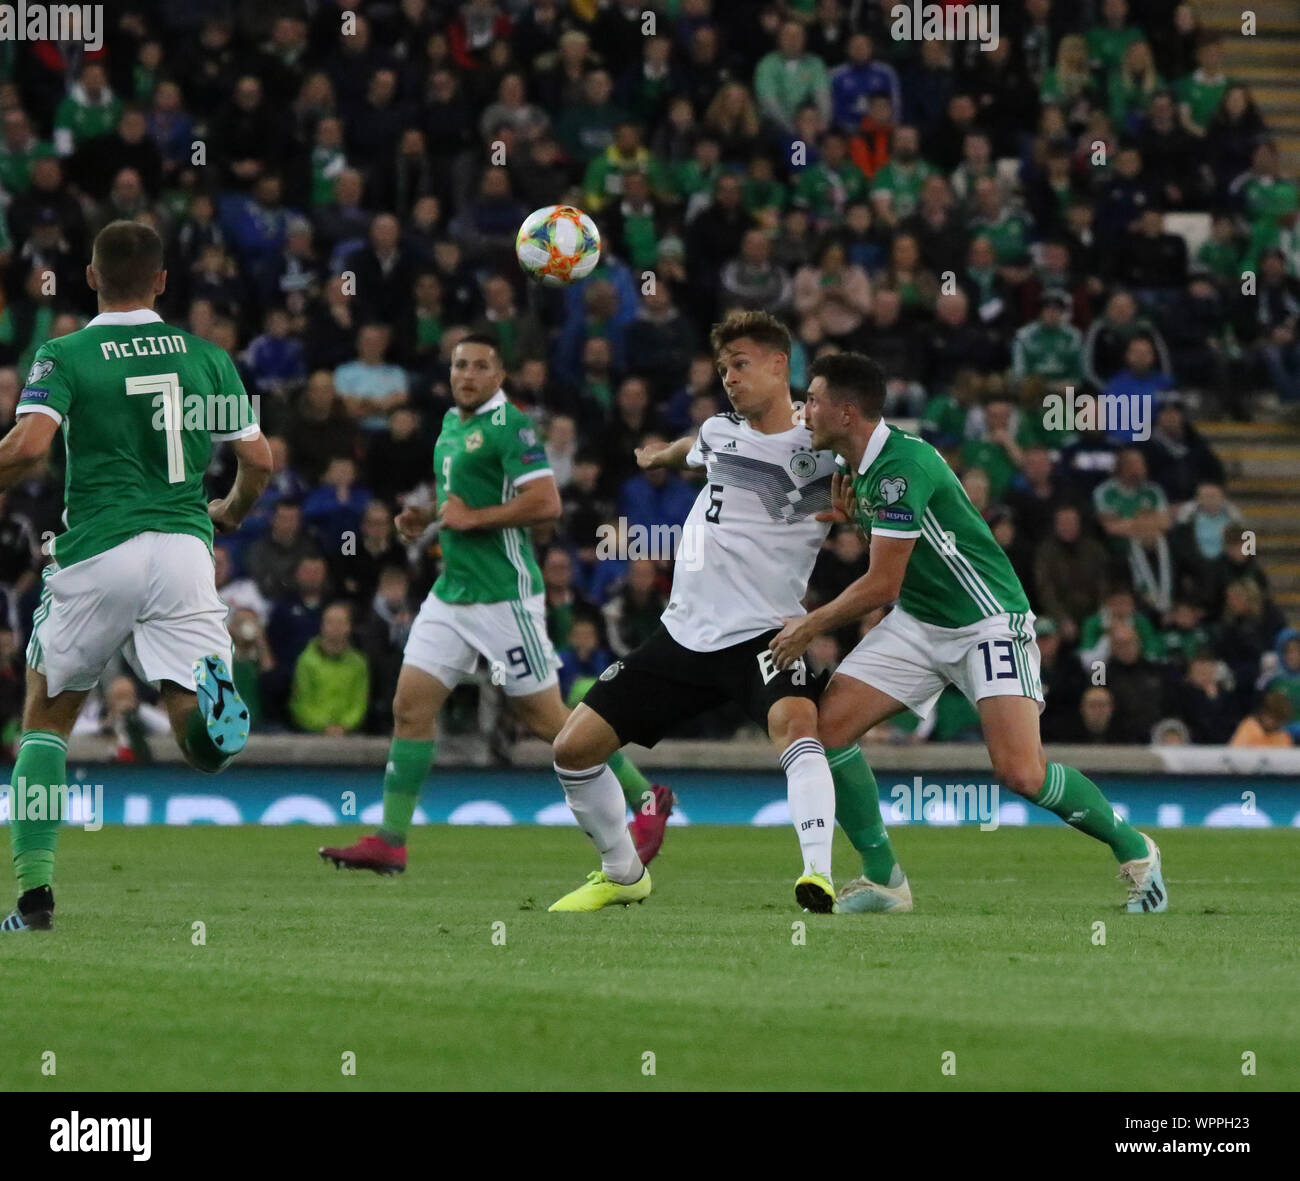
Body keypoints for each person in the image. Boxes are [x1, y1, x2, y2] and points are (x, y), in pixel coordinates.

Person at [772, 351, 1168, 915]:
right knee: (828, 733)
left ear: (848, 412)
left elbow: (882, 583)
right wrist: (857, 523)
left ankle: (1136, 850)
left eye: (812, 399)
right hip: (919, 621)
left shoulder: (900, 470)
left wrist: (809, 625)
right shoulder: (858, 466)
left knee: (1021, 773)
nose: (803, 409)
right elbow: (907, 566)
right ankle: (885, 878)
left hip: (987, 623)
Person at [550, 310, 903, 914]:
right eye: (722, 369)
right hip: (683, 634)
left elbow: (881, 498)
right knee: (572, 750)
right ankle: (622, 872)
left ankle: (816, 874)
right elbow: (697, 447)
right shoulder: (718, 431)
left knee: (800, 728)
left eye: (740, 365)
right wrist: (663, 455)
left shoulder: (825, 448)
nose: (730, 378)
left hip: (766, 634)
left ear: (778, 365)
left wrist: (858, 516)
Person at [0, 220, 272, 933]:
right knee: (193, 733)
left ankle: (34, 900)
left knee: (47, 718)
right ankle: (217, 713)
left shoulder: (66, 354)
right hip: (185, 545)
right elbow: (260, 460)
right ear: (161, 280)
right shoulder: (204, 358)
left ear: (90, 277)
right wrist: (232, 511)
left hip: (100, 546)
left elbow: (29, 450)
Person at [319, 335, 670, 874]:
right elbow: (457, 500)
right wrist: (426, 516)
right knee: (409, 709)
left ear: (500, 375)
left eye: (481, 366)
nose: (467, 374)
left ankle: (646, 798)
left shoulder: (513, 426)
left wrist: (472, 520)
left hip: (504, 596)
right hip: (450, 594)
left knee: (548, 720)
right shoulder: (451, 426)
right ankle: (391, 840)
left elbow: (546, 503)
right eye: (460, 364)